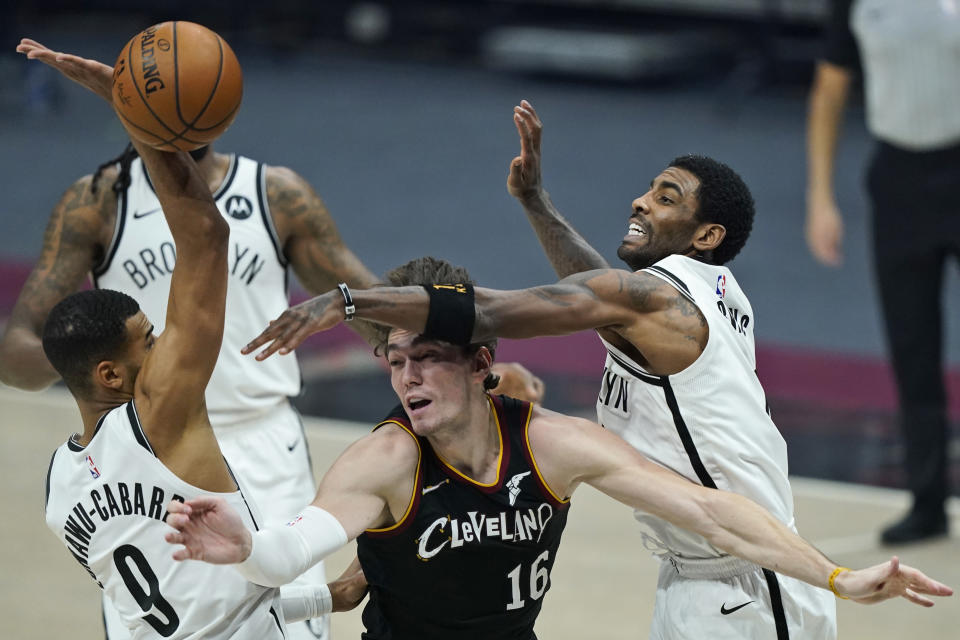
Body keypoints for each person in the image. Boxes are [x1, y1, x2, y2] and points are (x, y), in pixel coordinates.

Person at [238, 100, 892, 639]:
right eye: (648, 189)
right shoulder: (709, 292)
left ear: (707, 234)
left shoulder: (656, 298)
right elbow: (601, 290)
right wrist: (537, 202)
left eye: (666, 197)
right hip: (701, 572)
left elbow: (492, 311)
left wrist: (350, 299)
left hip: (744, 577)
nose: (640, 201)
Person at [0, 41, 541, 640]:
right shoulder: (97, 202)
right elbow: (16, 354)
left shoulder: (276, 194)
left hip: (261, 442)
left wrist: (472, 379)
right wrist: (86, 366)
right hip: (148, 441)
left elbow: (380, 313)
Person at [167, 256, 951, 640]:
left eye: (426, 356)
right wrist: (250, 547)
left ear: (482, 363)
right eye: (394, 360)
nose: (405, 376)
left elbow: (712, 512)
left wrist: (840, 578)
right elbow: (292, 554)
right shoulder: (386, 461)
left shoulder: (551, 445)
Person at [18, 40, 367, 638]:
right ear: (108, 372)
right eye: (151, 338)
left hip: (249, 438)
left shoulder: (62, 487)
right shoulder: (98, 203)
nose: (162, 342)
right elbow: (205, 234)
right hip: (166, 424)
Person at [805, 0, 959, 544]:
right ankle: (927, 502)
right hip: (898, 181)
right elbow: (830, 88)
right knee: (911, 346)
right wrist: (820, 196)